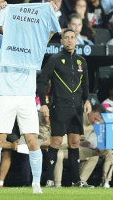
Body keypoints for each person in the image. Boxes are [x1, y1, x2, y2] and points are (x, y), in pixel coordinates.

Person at [0, 0, 61, 193]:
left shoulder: (33, 45)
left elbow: (49, 32)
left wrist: (51, 12)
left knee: (32, 140)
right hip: (7, 96)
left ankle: (36, 184)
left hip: (27, 98)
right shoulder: (1, 44)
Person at [37, 28, 92, 187]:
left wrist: (87, 100)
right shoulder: (55, 58)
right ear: (61, 41)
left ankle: (76, 181)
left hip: (76, 108)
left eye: (72, 38)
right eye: (66, 38)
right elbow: (42, 81)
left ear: (76, 40)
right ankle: (49, 180)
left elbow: (86, 84)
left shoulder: (81, 60)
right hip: (59, 105)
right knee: (56, 142)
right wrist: (44, 103)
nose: (69, 40)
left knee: (74, 143)